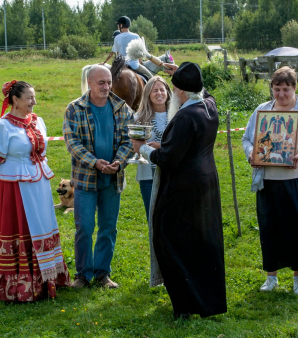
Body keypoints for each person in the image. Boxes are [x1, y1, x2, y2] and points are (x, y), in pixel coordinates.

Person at [132, 62, 226, 318]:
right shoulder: (209, 106)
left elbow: (169, 159)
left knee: (172, 240)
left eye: (174, 89)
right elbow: (205, 92)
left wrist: (142, 147)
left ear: (181, 92)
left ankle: (185, 304)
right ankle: (206, 299)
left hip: (184, 187)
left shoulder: (185, 116)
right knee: (202, 242)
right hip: (206, 183)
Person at [0, 80, 70, 301]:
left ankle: (47, 277)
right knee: (20, 227)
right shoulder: (2, 126)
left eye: (34, 97)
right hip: (14, 188)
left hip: (39, 184)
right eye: (29, 98)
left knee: (43, 226)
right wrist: (14, 172)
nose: (34, 102)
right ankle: (17, 285)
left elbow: (41, 152)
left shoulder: (38, 121)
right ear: (15, 100)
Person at [241, 66, 298, 295]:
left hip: (297, 181)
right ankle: (272, 276)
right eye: (277, 89)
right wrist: (251, 154)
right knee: (271, 227)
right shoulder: (262, 111)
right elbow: (247, 139)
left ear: (295, 88)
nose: (281, 94)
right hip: (268, 181)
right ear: (272, 88)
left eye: (286, 89)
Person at [63, 65, 134, 289]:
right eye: (101, 83)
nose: (106, 87)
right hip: (85, 180)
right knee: (84, 227)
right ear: (90, 83)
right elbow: (72, 142)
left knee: (108, 227)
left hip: (112, 179)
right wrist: (94, 162)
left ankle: (103, 274)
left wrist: (119, 162)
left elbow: (129, 140)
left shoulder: (122, 108)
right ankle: (83, 274)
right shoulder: (75, 109)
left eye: (109, 82)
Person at [134, 76, 171, 221]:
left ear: (168, 92)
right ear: (148, 94)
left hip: (172, 174)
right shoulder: (138, 118)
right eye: (155, 90)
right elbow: (134, 145)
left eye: (162, 89)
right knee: (153, 218)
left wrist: (161, 146)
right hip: (147, 175)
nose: (159, 93)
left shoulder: (178, 115)